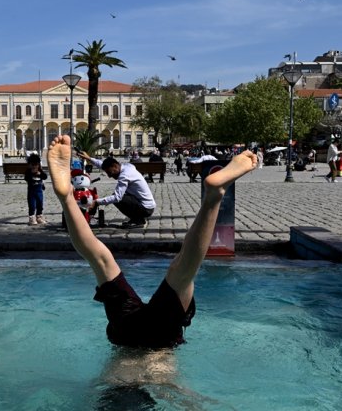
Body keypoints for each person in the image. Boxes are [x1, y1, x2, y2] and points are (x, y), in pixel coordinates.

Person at [48, 134, 258, 349]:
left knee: (104, 259)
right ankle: (214, 196)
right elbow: (106, 164)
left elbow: (109, 174)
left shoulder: (122, 173)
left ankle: (66, 198)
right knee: (183, 268)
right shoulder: (125, 167)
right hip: (154, 340)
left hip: (132, 331)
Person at [77, 150, 156, 229]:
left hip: (146, 208)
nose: (109, 176)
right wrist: (89, 158)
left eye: (109, 172)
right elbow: (103, 165)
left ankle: (138, 221)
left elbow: (117, 197)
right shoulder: (126, 166)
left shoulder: (124, 175)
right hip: (148, 206)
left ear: (115, 166)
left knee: (119, 199)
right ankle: (137, 218)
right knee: (120, 197)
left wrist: (97, 202)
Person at [24, 153, 47, 225]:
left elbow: (45, 177)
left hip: (39, 190)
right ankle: (31, 217)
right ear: (29, 165)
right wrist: (31, 174)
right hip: (31, 191)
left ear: (38, 164)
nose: (34, 166)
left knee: (40, 203)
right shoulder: (28, 171)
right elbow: (26, 178)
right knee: (32, 204)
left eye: (36, 164)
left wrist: (40, 174)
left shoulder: (40, 171)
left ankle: (39, 216)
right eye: (32, 165)